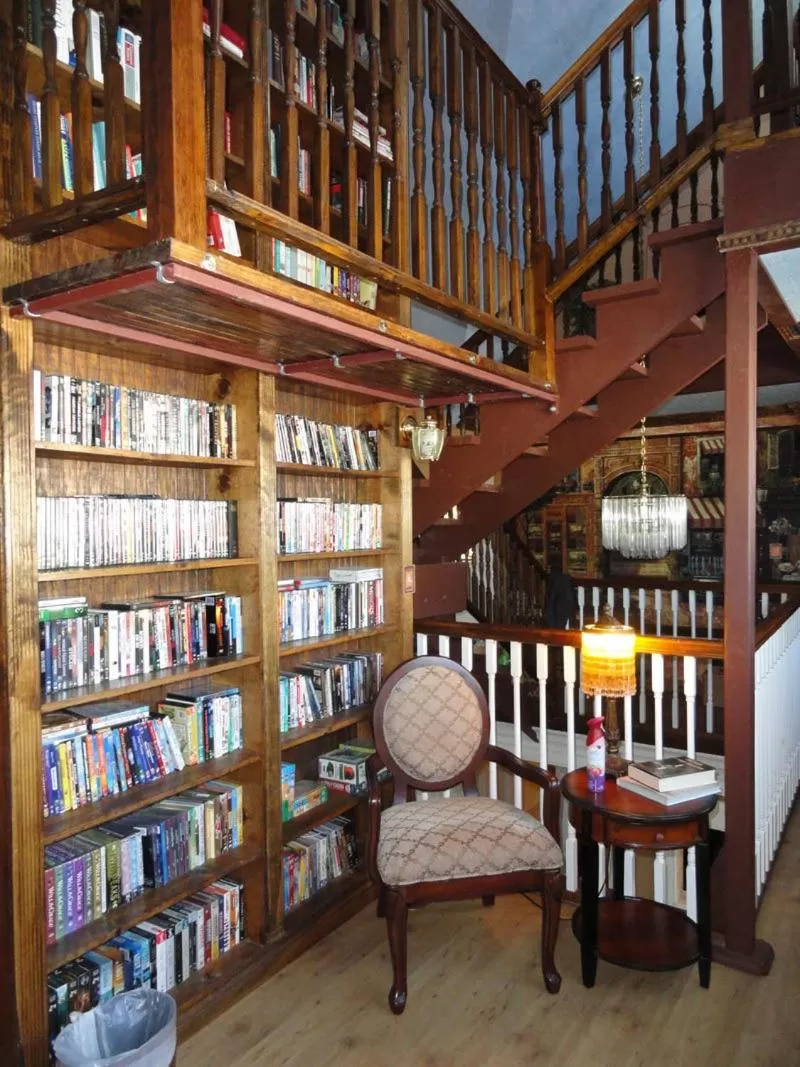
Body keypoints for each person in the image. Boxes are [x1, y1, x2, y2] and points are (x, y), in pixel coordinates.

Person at [544, 564, 578, 629]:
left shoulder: (552, 580)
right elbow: (571, 599)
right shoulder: (566, 579)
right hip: (564, 608)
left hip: (555, 611)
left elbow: (550, 600)